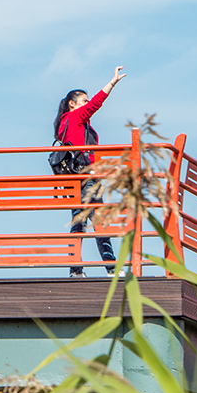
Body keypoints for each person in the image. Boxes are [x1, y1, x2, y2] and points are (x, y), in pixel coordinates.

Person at [53, 66, 127, 277]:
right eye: (83, 101)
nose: (87, 104)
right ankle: (112, 268)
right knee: (98, 221)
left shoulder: (65, 124)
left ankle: (75, 270)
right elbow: (97, 103)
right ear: (72, 104)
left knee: (79, 222)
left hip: (74, 179)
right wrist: (112, 82)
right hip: (87, 176)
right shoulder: (75, 118)